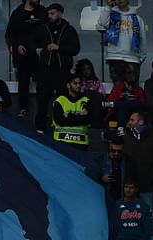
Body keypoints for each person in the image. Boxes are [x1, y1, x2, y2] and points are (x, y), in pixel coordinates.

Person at [34, 4, 80, 133]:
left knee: (62, 101)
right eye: (48, 14)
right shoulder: (43, 29)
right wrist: (37, 49)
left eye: (53, 13)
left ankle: (60, 125)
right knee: (42, 100)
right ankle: (39, 128)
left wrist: (59, 48)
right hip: (45, 70)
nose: (50, 16)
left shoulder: (69, 30)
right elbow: (32, 41)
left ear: (60, 14)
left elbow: (75, 48)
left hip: (62, 71)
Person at [5, 0, 47, 119]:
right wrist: (17, 45)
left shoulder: (43, 12)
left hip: (39, 55)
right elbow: (10, 34)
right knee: (23, 83)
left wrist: (43, 47)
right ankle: (23, 109)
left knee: (42, 84)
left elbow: (48, 31)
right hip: (23, 56)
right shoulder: (18, 13)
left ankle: (43, 110)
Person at [123, 111, 153, 214]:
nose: (129, 123)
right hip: (130, 185)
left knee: (149, 215)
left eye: (132, 120)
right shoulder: (127, 138)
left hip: (148, 185)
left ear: (141, 122)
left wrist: (151, 176)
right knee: (129, 216)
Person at [96, 0, 146, 82]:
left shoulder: (137, 19)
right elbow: (102, 22)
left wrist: (141, 58)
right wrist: (108, 6)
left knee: (132, 90)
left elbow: (142, 39)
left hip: (132, 58)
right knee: (118, 89)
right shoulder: (111, 15)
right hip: (115, 57)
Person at [52, 73, 91, 150]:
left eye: (80, 83)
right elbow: (60, 121)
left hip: (81, 143)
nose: (78, 86)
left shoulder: (86, 101)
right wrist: (80, 117)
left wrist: (69, 116)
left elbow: (87, 120)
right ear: (68, 85)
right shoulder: (60, 101)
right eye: (75, 83)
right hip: (62, 142)